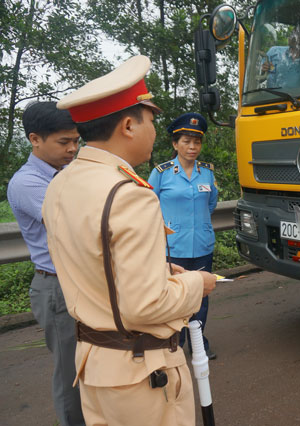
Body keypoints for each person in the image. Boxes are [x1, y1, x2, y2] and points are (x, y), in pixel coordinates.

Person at [42, 55, 217, 426]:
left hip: (95, 367)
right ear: (128, 125)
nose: (154, 131)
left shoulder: (61, 183)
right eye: (150, 120)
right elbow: (145, 306)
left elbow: (94, 262)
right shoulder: (130, 194)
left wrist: (155, 269)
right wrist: (195, 283)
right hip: (141, 375)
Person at [7, 102, 85, 426]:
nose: (72, 149)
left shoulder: (66, 172)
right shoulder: (28, 183)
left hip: (78, 280)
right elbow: (76, 222)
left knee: (92, 361)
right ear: (35, 139)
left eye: (76, 141)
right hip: (56, 287)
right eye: (64, 142)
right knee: (70, 374)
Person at [148, 112, 218, 360]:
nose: (192, 147)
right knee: (173, 296)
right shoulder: (161, 173)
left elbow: (210, 204)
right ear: (175, 144)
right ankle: (175, 340)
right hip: (172, 248)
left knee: (201, 296)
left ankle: (199, 341)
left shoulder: (207, 172)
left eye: (196, 142)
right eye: (186, 142)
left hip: (201, 245)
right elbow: (149, 206)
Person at [260, 24, 300, 88]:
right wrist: (263, 71)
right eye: (293, 32)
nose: (291, 35)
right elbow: (257, 79)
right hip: (268, 98)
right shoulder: (274, 52)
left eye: (296, 33)